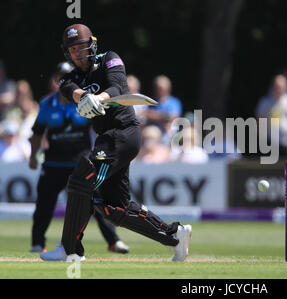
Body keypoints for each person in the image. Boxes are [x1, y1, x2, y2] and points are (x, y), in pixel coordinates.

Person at [40, 24, 191, 262]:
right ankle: (174, 236)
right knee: (112, 207)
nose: (78, 53)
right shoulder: (71, 76)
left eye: (81, 47)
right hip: (106, 138)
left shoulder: (110, 59)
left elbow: (117, 86)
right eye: (73, 50)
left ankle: (70, 250)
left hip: (123, 133)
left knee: (82, 176)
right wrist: (84, 97)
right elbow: (68, 88)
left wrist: (98, 98)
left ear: (92, 45)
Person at [28, 62, 130, 254]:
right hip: (53, 163)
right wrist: (33, 156)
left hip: (81, 162)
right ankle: (37, 243)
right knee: (44, 204)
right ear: (55, 81)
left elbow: (102, 125)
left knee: (96, 201)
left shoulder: (86, 101)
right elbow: (37, 132)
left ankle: (113, 241)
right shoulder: (47, 104)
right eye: (61, 77)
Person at [255, 74, 287, 157]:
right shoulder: (265, 102)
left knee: (285, 169)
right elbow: (260, 122)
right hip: (269, 143)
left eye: (280, 87)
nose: (278, 89)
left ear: (286, 87)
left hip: (286, 143)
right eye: (276, 87)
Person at [145, 75, 182, 143]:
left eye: (161, 88)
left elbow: (174, 117)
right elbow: (147, 114)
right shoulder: (151, 101)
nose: (159, 90)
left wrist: (156, 115)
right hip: (153, 132)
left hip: (168, 132)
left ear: (168, 88)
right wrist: (165, 116)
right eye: (158, 88)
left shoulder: (174, 102)